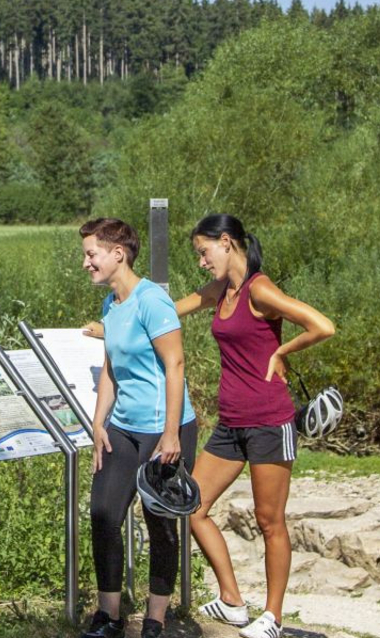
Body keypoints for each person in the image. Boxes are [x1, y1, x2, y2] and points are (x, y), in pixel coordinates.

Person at [179, 214, 335, 638]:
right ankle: (232, 601)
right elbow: (171, 312)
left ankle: (272, 617)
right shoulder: (221, 291)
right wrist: (115, 325)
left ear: (226, 243)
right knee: (192, 507)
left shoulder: (259, 289)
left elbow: (322, 326)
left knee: (270, 521)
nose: (201, 262)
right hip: (230, 424)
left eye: (203, 252)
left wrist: (282, 351)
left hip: (269, 421)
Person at [78, 217, 197, 638]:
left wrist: (170, 433)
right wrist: (99, 421)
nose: (86, 263)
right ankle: (109, 616)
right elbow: (111, 367)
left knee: (159, 523)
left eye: (91, 254)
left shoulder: (153, 301)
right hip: (123, 428)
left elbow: (175, 364)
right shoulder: (111, 305)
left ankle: (154, 620)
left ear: (118, 254)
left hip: (164, 429)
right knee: (103, 514)